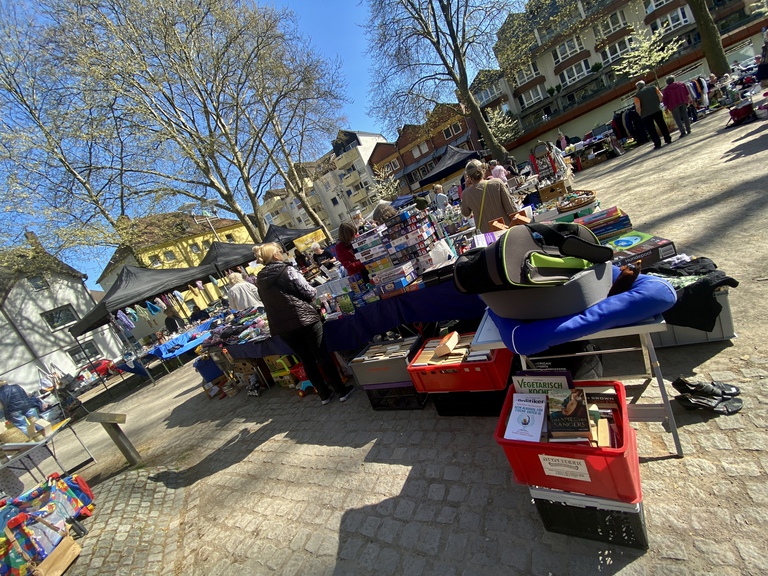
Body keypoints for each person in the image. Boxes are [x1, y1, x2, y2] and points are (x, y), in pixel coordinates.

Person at [254, 243, 354, 405]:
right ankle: (341, 390)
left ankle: (323, 394)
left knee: (306, 359)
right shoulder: (287, 270)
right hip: (304, 319)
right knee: (321, 355)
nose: (282, 253)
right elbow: (309, 292)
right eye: (279, 251)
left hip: (282, 326)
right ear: (275, 256)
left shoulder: (260, 279)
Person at [460, 159, 518, 233]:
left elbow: (466, 213)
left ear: (468, 176)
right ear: (483, 170)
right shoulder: (497, 183)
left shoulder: (466, 193)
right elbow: (511, 209)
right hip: (506, 229)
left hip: (487, 234)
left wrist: (466, 189)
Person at [633, 80, 672, 149]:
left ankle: (657, 144)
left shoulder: (637, 95)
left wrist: (639, 114)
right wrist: (657, 104)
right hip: (657, 109)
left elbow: (638, 107)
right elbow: (661, 97)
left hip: (645, 114)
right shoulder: (654, 88)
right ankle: (668, 138)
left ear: (637, 87)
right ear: (644, 84)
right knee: (662, 124)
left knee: (651, 129)